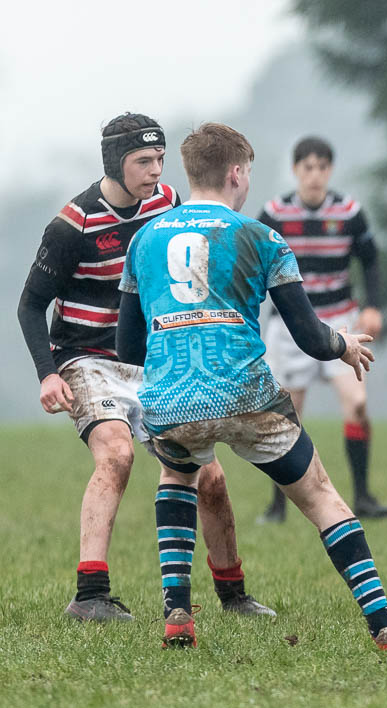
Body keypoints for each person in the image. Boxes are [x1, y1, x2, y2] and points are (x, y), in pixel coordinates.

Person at [116, 122, 387, 651]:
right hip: (247, 394)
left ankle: (178, 613)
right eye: (248, 173)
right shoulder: (262, 237)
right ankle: (384, 626)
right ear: (236, 172)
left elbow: (126, 349)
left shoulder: (143, 240)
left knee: (176, 475)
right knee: (322, 497)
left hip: (171, 400)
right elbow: (308, 337)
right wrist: (342, 345)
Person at [16, 112, 273, 622]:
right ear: (115, 163)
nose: (156, 171)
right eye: (143, 161)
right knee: (115, 454)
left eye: (159, 159)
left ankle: (232, 593)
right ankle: (89, 595)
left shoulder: (168, 203)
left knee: (210, 478)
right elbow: (29, 305)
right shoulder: (73, 225)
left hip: (153, 358)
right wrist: (47, 373)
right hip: (86, 359)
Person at [257, 137, 387, 523]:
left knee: (358, 405)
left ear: (330, 169)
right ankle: (278, 504)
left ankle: (363, 495)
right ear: (296, 169)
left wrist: (373, 307)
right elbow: (253, 269)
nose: (315, 174)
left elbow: (370, 261)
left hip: (341, 321)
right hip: (288, 326)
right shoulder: (274, 214)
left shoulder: (349, 212)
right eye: (307, 167)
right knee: (286, 417)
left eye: (322, 166)